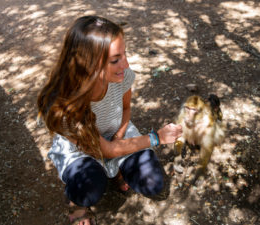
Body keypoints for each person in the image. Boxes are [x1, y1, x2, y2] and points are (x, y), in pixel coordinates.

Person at [37, 15, 182, 225]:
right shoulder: (64, 106)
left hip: (116, 132)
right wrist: (156, 137)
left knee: (153, 183)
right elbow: (107, 150)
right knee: (88, 186)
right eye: (115, 59)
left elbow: (125, 107)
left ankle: (118, 170)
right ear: (88, 65)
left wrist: (121, 134)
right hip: (83, 147)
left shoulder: (122, 77)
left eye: (125, 54)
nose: (126, 64)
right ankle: (77, 204)